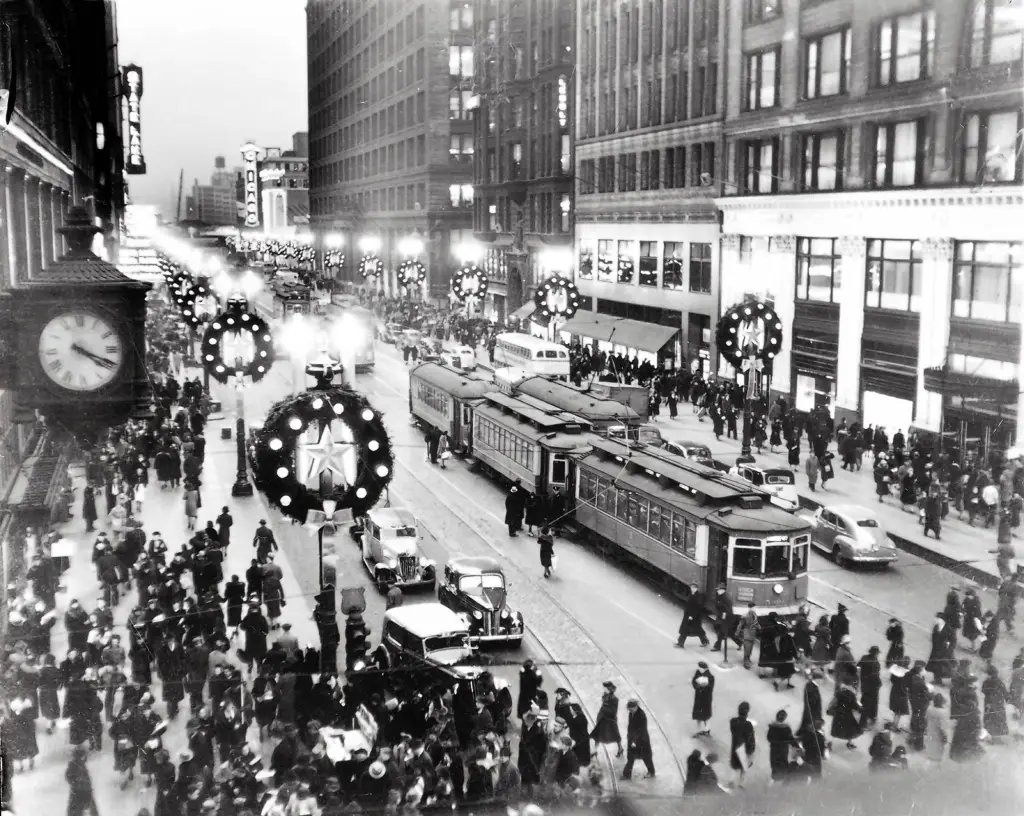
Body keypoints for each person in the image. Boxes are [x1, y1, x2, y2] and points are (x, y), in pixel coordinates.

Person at [622, 699, 654, 780]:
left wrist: (634, 741)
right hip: (633, 739)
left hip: (642, 741)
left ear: (636, 707)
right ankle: (626, 775)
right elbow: (630, 726)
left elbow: (641, 730)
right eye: (629, 709)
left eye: (631, 708)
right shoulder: (631, 713)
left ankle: (651, 772)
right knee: (631, 758)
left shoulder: (641, 716)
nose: (629, 710)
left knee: (646, 757)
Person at [591, 680, 622, 758]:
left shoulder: (615, 699)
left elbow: (613, 711)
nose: (604, 690)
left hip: (610, 720)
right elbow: (604, 706)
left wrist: (605, 707)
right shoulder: (605, 696)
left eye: (605, 689)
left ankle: (620, 749)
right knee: (597, 735)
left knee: (615, 736)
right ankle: (595, 750)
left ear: (609, 689)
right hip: (603, 718)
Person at [65, 744, 99, 816]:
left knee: (92, 809)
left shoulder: (82, 765)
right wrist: (76, 781)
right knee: (75, 811)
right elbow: (68, 776)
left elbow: (87, 779)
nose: (83, 758)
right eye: (81, 756)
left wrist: (88, 785)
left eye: (83, 756)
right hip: (78, 792)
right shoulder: (73, 764)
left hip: (85, 791)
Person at [766, 709, 799, 783]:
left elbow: (769, 738)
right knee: (783, 763)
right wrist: (797, 746)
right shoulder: (786, 728)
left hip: (774, 749)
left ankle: (775, 779)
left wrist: (775, 741)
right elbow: (791, 739)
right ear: (784, 718)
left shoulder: (772, 727)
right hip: (783, 749)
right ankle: (782, 780)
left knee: (774, 763)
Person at [729, 702, 756, 786]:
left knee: (735, 765)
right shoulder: (748, 725)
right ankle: (741, 783)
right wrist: (752, 749)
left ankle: (732, 781)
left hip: (735, 747)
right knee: (743, 766)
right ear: (747, 713)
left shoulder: (733, 721)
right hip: (745, 749)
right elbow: (750, 738)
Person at [829, 682, 863, 749]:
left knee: (836, 729)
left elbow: (832, 703)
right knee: (850, 730)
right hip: (847, 715)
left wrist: (832, 708)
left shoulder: (839, 693)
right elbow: (855, 706)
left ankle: (830, 743)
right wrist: (860, 708)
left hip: (838, 714)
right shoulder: (851, 695)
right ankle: (849, 743)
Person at [981, 664, 1010, 740]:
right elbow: (1005, 693)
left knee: (994, 720)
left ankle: (994, 737)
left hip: (993, 704)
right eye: (994, 673)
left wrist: (1007, 697)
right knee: (995, 721)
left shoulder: (991, 682)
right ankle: (993, 737)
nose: (995, 675)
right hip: (994, 704)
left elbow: (1004, 691)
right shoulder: (993, 682)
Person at [858, 646, 883, 729]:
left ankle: (861, 709)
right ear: (875, 654)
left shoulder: (864, 657)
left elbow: (858, 666)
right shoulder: (876, 664)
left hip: (864, 683)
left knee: (865, 698)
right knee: (873, 702)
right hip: (872, 686)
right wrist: (879, 684)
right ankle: (871, 717)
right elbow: (876, 677)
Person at [691, 662, 714, 736]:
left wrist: (703, 687)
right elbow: (693, 681)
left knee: (705, 715)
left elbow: (710, 688)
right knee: (698, 714)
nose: (699, 669)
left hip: (705, 698)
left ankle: (707, 729)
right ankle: (699, 729)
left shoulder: (710, 677)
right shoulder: (698, 673)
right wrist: (697, 686)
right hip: (699, 697)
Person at [738, 602, 760, 669]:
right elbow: (741, 624)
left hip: (751, 633)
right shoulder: (746, 615)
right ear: (752, 608)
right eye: (754, 607)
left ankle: (748, 659)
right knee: (747, 648)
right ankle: (746, 662)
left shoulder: (753, 614)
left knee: (749, 648)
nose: (755, 608)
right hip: (748, 633)